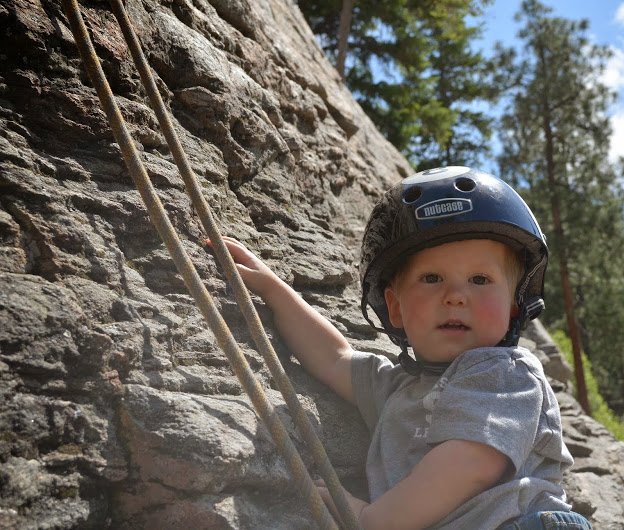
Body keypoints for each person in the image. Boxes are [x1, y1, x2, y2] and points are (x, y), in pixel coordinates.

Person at [219, 166, 591, 529]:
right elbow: (335, 359)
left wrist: (371, 520)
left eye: (480, 279)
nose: (456, 296)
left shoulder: (506, 373)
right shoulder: (397, 389)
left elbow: (472, 463)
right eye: (432, 278)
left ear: (514, 305)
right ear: (396, 307)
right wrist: (273, 290)